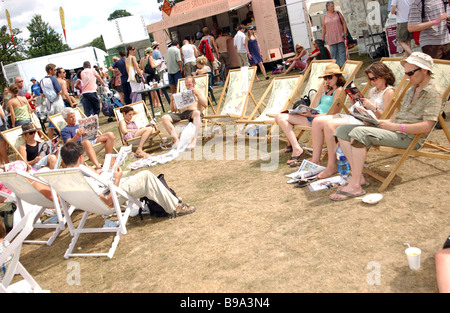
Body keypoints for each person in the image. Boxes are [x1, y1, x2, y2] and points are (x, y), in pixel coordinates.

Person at [330, 52, 442, 200]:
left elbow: (426, 127)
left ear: (424, 70)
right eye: (406, 73)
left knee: (359, 134)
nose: (407, 77)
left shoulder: (432, 93)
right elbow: (400, 117)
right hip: (395, 129)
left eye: (410, 73)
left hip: (408, 137)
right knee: (342, 130)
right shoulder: (412, 88)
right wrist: (384, 122)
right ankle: (358, 176)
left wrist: (395, 127)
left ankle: (355, 185)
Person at [59, 141, 196, 217]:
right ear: (81, 157)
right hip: (109, 201)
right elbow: (108, 202)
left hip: (95, 201)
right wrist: (116, 180)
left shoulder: (66, 176)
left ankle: (167, 198)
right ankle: (174, 207)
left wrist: (99, 173)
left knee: (134, 178)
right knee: (146, 176)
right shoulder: (84, 177)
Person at [309, 62, 396, 178]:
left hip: (371, 124)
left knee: (330, 125)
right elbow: (366, 109)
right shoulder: (372, 91)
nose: (372, 82)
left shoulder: (389, 92)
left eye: (374, 79)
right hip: (361, 118)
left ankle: (331, 165)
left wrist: (373, 107)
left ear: (384, 76)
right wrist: (357, 104)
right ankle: (316, 160)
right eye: (370, 79)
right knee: (317, 121)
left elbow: (387, 119)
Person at [274, 63, 346, 165]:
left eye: (330, 77)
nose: (327, 80)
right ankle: (296, 147)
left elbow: (332, 113)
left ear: (338, 77)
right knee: (279, 116)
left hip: (319, 119)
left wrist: (313, 116)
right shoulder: (327, 89)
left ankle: (295, 147)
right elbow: (314, 105)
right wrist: (320, 92)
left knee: (281, 118)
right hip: (312, 116)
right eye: (326, 78)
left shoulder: (339, 91)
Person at [161, 76, 207, 150]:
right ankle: (177, 140)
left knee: (197, 113)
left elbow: (205, 104)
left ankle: (194, 140)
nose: (188, 87)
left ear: (194, 83)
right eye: (186, 85)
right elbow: (173, 110)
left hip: (193, 113)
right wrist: (172, 101)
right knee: (164, 118)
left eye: (189, 85)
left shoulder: (199, 92)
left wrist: (197, 94)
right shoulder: (182, 94)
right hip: (182, 114)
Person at [40, 63, 65, 139]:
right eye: (54, 70)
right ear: (50, 70)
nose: (55, 71)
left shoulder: (42, 81)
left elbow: (41, 94)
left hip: (49, 104)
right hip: (57, 102)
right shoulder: (53, 79)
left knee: (51, 123)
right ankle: (64, 137)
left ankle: (50, 140)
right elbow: (59, 91)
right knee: (61, 120)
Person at [322, 1, 348, 67]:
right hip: (331, 38)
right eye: (331, 6)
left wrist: (345, 32)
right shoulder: (325, 17)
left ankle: (343, 66)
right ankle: (336, 67)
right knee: (333, 53)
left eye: (333, 6)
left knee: (341, 52)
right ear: (327, 8)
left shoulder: (337, 13)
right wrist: (322, 37)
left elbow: (344, 22)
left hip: (339, 36)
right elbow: (324, 27)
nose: (333, 7)